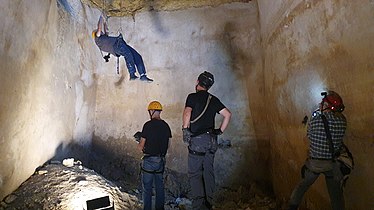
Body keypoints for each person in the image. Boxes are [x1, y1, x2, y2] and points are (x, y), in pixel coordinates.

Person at [288, 91, 347, 210]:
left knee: (301, 187)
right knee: (336, 196)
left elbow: (309, 135)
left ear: (326, 106)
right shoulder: (343, 121)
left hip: (315, 164)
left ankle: (292, 207)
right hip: (332, 164)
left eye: (322, 103)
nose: (320, 104)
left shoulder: (315, 119)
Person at [182, 71, 232, 210]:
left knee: (195, 173)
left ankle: (199, 206)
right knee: (208, 171)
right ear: (209, 86)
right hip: (212, 141)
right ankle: (209, 203)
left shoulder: (192, 97)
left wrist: (185, 130)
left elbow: (187, 112)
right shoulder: (214, 99)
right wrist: (220, 131)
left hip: (198, 141)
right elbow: (227, 114)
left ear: (198, 82)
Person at [92, 15, 153, 82]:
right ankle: (132, 74)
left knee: (137, 56)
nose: (102, 32)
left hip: (120, 44)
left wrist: (104, 22)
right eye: (99, 32)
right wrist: (101, 18)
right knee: (128, 55)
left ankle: (143, 75)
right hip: (118, 46)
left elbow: (106, 30)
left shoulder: (104, 39)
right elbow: (99, 28)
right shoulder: (98, 39)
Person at [138, 101, 172, 210]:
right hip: (161, 160)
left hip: (149, 161)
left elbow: (141, 146)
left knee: (147, 188)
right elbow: (168, 145)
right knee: (159, 187)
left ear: (151, 111)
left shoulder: (147, 125)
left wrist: (140, 142)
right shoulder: (166, 126)